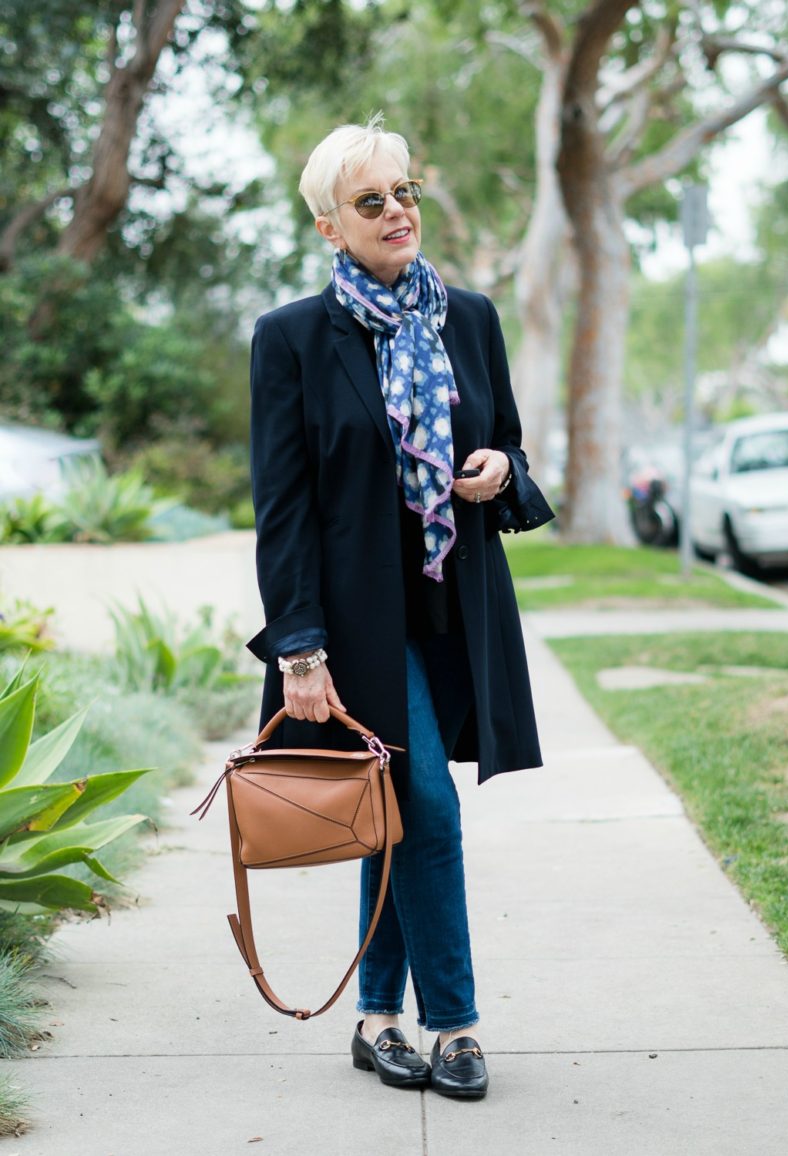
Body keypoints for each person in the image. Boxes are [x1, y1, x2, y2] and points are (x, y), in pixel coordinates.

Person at [246, 115, 553, 1100]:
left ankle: (376, 1018)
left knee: (388, 805)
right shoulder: (292, 338)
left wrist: (497, 469)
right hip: (352, 625)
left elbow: (505, 450)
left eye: (405, 192)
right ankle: (454, 1023)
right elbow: (282, 507)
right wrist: (297, 647)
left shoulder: (468, 319)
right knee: (422, 803)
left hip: (453, 608)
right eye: (369, 200)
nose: (395, 212)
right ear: (330, 226)